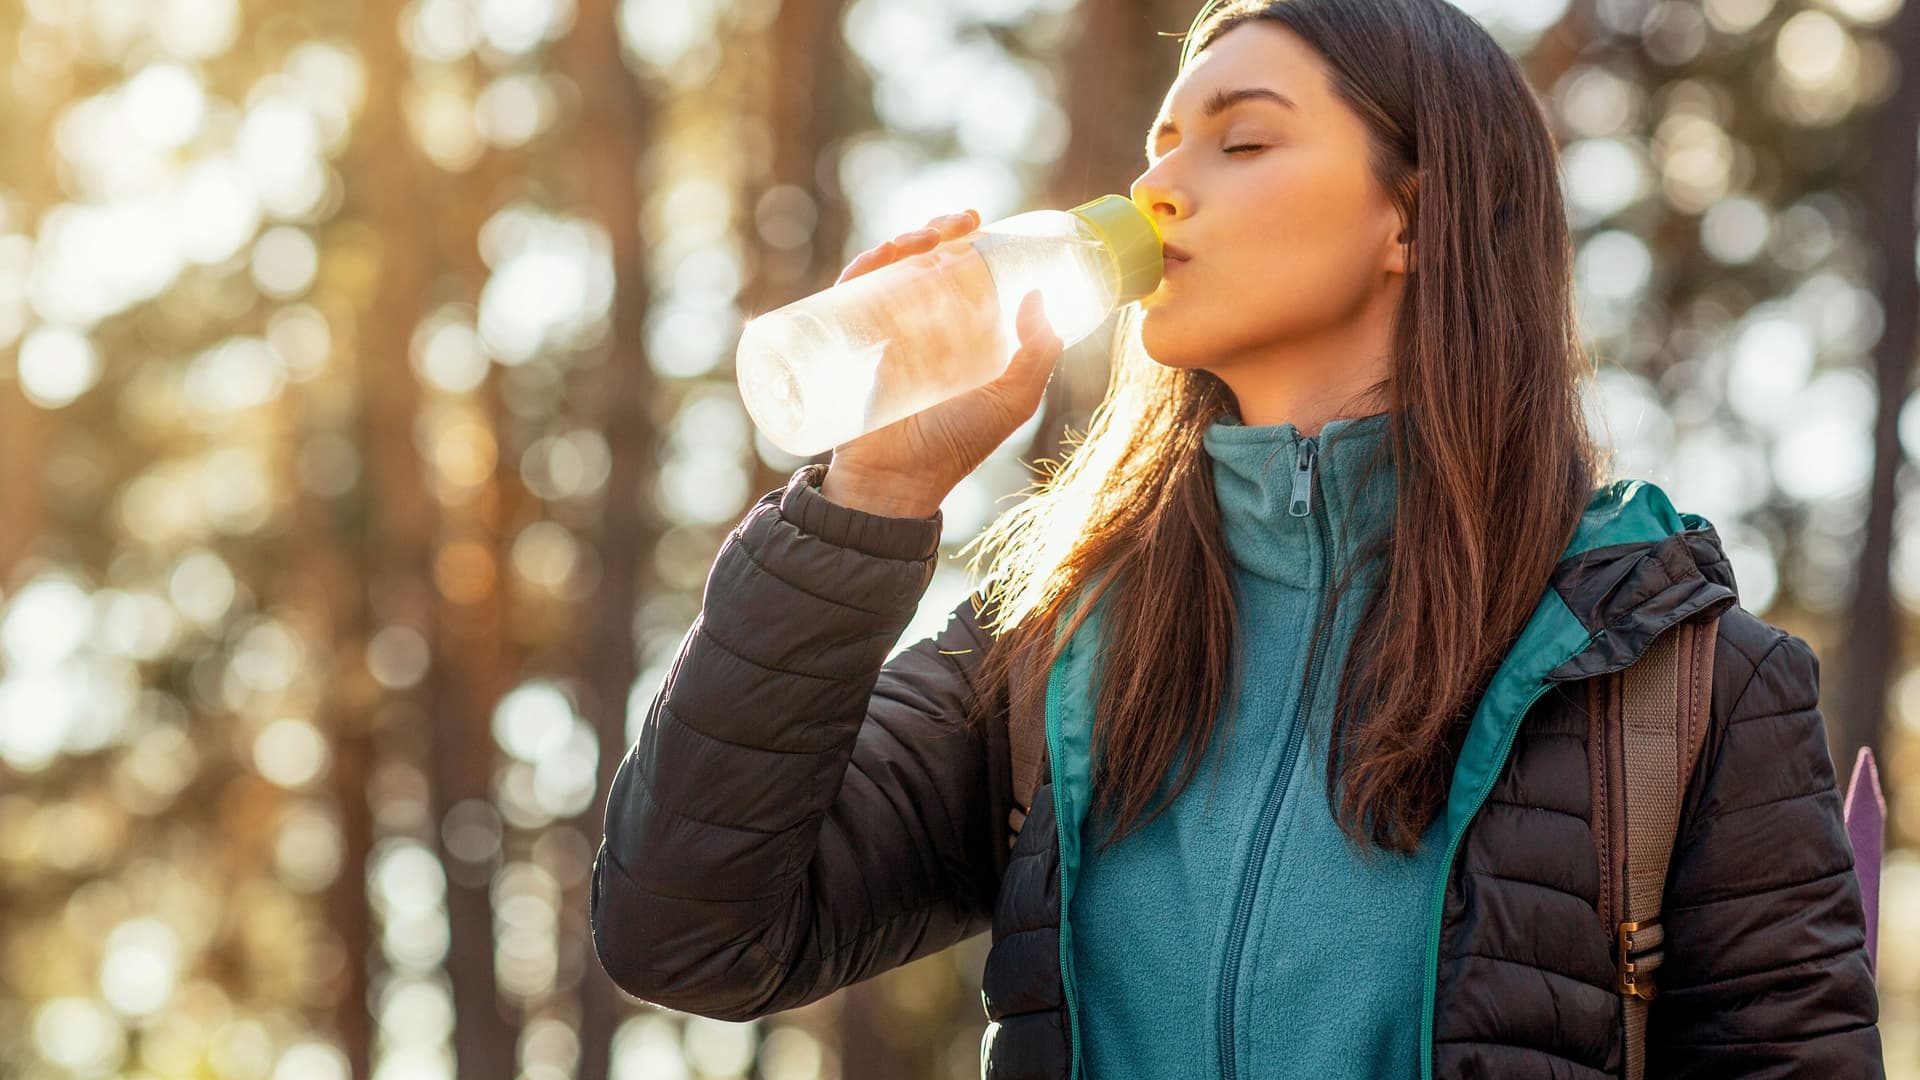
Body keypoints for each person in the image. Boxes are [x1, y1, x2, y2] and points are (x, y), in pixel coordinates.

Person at [589, 0, 1884, 1076]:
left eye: (1240, 143)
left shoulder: (1669, 683)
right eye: (1158, 146)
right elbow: (687, 933)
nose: (1155, 190)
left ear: (1415, 219)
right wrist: (869, 495)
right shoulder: (1057, 642)